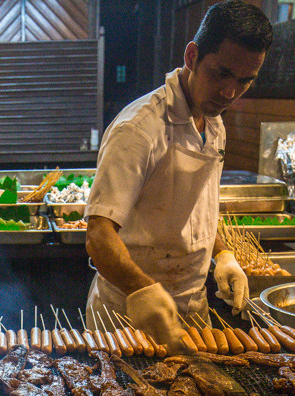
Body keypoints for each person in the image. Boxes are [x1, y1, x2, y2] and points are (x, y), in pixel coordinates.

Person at [84, 0, 273, 350]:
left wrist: (224, 255)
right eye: (221, 74)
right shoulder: (138, 128)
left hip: (192, 307)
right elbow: (98, 236)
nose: (230, 93)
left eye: (245, 81)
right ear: (192, 57)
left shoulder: (214, 124)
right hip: (128, 312)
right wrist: (142, 289)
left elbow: (197, 209)